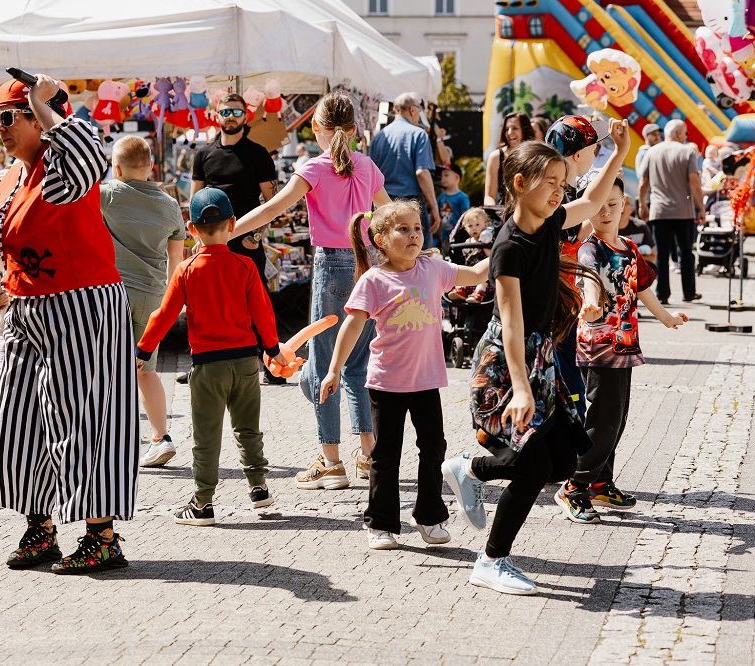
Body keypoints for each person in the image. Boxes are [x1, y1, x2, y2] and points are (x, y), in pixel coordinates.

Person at [0, 73, 139, 575]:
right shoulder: (10, 177)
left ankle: (101, 536)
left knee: (83, 418)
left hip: (80, 304)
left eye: (8, 117)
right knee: (20, 419)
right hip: (25, 309)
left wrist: (44, 104)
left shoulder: (64, 161)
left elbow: (92, 157)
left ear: (38, 119)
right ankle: (39, 528)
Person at [441, 119, 631, 596]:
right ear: (520, 184)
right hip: (507, 366)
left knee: (562, 461)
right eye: (550, 183)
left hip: (538, 358)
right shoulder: (510, 246)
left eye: (561, 185)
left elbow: (589, 203)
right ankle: (491, 561)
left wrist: (619, 153)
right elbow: (509, 323)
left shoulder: (547, 222)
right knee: (530, 465)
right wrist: (522, 386)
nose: (558, 192)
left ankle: (470, 469)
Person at [233, 91, 391, 488]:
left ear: (316, 129)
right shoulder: (367, 166)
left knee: (323, 367)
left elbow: (272, 209)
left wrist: (228, 231)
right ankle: (369, 456)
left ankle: (330, 459)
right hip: (367, 265)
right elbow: (388, 215)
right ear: (354, 129)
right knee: (357, 367)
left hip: (332, 265)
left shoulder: (315, 167)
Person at [320, 200, 489, 550]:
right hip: (386, 383)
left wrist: (509, 245)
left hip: (427, 381)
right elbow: (351, 327)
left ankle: (429, 517)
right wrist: (333, 369)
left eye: (417, 228)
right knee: (386, 454)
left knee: (433, 449)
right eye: (403, 229)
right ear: (381, 240)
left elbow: (474, 276)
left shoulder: (432, 268)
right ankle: (380, 523)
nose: (414, 235)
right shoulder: (374, 279)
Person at [135, 188, 286, 526]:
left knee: (206, 436)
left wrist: (144, 351)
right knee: (248, 429)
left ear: (192, 229)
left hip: (207, 365)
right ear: (233, 224)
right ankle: (259, 488)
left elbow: (163, 315)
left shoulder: (187, 270)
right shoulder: (245, 265)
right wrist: (273, 351)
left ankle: (202, 504)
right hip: (247, 362)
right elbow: (263, 314)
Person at [555, 172, 688, 524]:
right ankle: (573, 487)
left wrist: (665, 317)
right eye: (598, 205)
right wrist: (592, 301)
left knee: (617, 419)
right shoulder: (590, 248)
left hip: (626, 346)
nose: (606, 211)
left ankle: (600, 481)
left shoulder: (628, 247)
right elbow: (589, 278)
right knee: (602, 421)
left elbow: (642, 287)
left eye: (612, 204)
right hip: (598, 347)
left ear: (624, 205)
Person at [101, 135, 186, 467]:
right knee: (146, 370)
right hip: (153, 296)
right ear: (151, 167)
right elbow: (176, 259)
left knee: (108, 369)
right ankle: (160, 437)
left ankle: (111, 441)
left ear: (116, 168)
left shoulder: (106, 195)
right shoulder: (169, 206)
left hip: (111, 292)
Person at [191, 92, 281, 384]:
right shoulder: (203, 154)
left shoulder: (258, 154)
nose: (231, 116)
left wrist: (255, 234)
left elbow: (272, 203)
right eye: (225, 111)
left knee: (257, 302)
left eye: (237, 112)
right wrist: (195, 237)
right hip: (210, 242)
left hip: (246, 242)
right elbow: (195, 201)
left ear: (246, 116)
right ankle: (202, 364)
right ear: (216, 116)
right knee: (208, 303)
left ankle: (270, 363)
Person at [545, 114, 608, 424]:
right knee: (565, 368)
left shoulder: (549, 187)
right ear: (579, 154)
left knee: (564, 364)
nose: (595, 156)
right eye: (594, 150)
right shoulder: (560, 193)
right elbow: (577, 230)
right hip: (558, 295)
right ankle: (573, 430)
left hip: (559, 292)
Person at [638, 119, 705, 304]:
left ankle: (662, 293)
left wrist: (643, 205)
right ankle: (689, 292)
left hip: (659, 211)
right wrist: (701, 208)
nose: (685, 137)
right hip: (683, 211)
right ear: (677, 133)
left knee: (661, 253)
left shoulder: (651, 152)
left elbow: (643, 182)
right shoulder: (686, 152)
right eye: (684, 134)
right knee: (686, 252)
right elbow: (694, 181)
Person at [369, 92, 440, 249]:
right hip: (411, 205)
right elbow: (422, 172)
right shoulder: (419, 134)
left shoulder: (380, 137)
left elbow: (370, 176)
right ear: (413, 110)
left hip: (384, 205)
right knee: (419, 256)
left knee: (388, 254)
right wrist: (434, 206)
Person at [484, 111, 534, 205]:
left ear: (524, 130)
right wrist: (494, 213)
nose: (510, 133)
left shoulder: (535, 156)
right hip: (504, 213)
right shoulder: (495, 157)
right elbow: (489, 196)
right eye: (507, 129)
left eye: (515, 128)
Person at [447, 208, 495, 304]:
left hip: (485, 274)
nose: (474, 228)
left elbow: (492, 257)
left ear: (486, 225)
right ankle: (460, 291)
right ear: (465, 228)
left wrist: (484, 244)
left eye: (477, 225)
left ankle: (479, 293)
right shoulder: (466, 242)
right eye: (470, 226)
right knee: (463, 276)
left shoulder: (488, 240)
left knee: (484, 279)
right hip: (470, 272)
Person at [618, 193, 657, 270]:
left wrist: (632, 255)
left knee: (652, 268)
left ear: (632, 209)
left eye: (625, 203)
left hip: (635, 268)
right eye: (618, 203)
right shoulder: (606, 228)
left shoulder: (641, 227)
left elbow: (653, 257)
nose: (621, 207)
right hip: (614, 269)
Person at [436, 163, 470, 249]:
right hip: (444, 238)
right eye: (441, 176)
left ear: (456, 177)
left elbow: (465, 218)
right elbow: (438, 217)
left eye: (446, 175)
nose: (442, 178)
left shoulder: (462, 198)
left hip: (458, 238)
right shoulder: (441, 198)